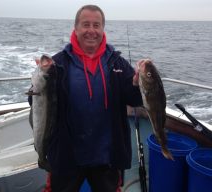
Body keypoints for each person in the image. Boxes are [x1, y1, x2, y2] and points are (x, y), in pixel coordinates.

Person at [31, 4, 143, 192]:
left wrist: (137, 84)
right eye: (86, 25)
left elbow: (135, 100)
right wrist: (41, 79)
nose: (91, 31)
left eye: (96, 25)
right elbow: (37, 104)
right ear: (75, 28)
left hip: (106, 155)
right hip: (67, 154)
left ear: (102, 29)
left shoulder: (118, 63)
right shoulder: (57, 64)